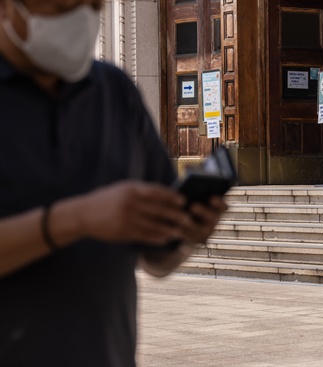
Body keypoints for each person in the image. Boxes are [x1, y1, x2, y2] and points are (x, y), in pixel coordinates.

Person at [0, 1, 227, 365]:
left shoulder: (115, 92)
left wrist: (186, 231)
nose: (83, 18)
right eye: (65, 6)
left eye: (94, 5)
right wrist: (75, 219)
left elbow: (158, 260)